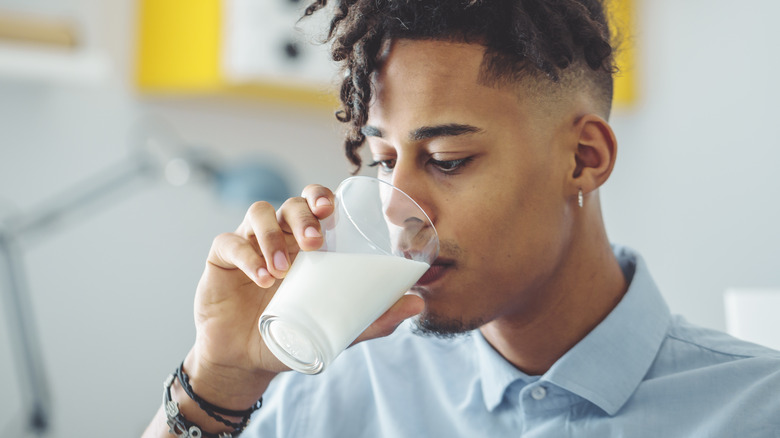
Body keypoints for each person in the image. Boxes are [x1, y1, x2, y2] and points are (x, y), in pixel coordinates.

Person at [143, 0, 780, 437]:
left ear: (584, 158)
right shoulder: (334, 392)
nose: (396, 209)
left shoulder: (754, 409)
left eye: (447, 160)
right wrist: (220, 379)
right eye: (385, 161)